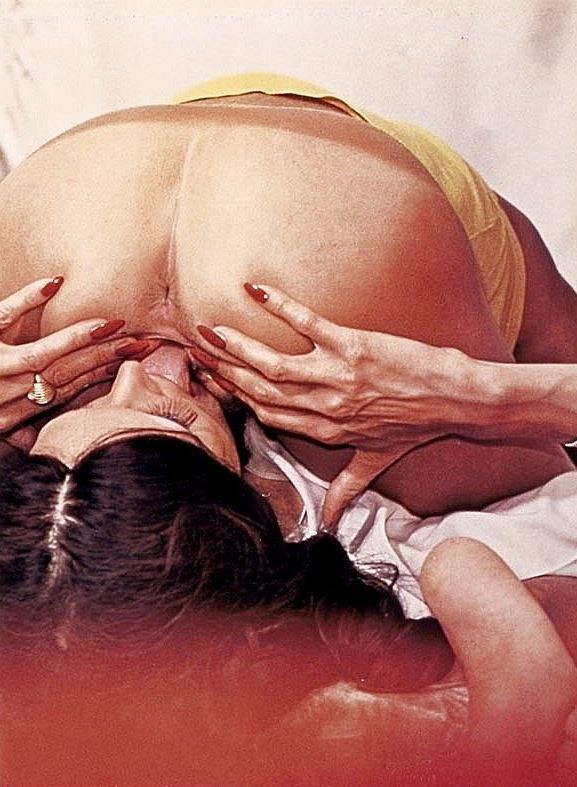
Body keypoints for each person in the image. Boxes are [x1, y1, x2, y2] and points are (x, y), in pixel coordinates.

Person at [0, 73, 576, 774]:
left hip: (325, 236)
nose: (154, 368)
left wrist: (477, 396)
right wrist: (468, 393)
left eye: (87, 406)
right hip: (88, 181)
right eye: (175, 416)